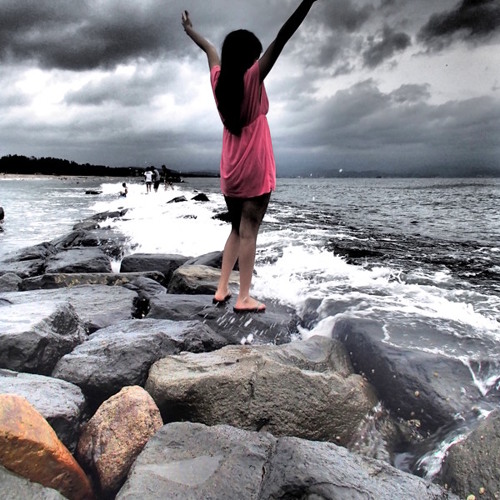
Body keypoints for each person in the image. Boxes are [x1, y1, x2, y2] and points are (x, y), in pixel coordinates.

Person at [182, 0, 319, 313]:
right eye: (256, 56)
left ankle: (221, 289)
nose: (259, 59)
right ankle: (243, 297)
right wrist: (307, 3)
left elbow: (209, 49)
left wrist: (190, 31)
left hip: (230, 167)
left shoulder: (219, 81)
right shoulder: (252, 79)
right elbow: (283, 36)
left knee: (234, 228)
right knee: (249, 232)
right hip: (255, 166)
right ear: (250, 59)